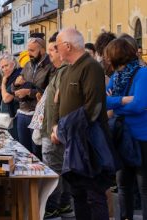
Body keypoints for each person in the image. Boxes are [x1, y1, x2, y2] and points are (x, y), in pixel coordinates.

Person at [51, 28, 116, 220]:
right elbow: (58, 102)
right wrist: (55, 126)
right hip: (72, 142)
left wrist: (62, 129)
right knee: (77, 193)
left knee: (94, 194)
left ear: (68, 46)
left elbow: (93, 108)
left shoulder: (91, 67)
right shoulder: (66, 70)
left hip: (90, 143)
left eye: (57, 46)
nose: (55, 50)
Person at [31, 33, 73, 219]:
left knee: (54, 170)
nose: (49, 55)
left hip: (54, 131)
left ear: (61, 50)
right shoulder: (59, 71)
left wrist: (56, 127)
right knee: (60, 169)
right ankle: (62, 205)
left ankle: (53, 207)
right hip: (53, 129)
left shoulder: (64, 72)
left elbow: (63, 104)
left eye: (51, 51)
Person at [105, 38, 147, 220]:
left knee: (144, 187)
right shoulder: (116, 77)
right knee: (123, 185)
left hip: (141, 138)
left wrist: (115, 105)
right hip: (122, 136)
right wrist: (122, 100)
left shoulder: (143, 74)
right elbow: (104, 100)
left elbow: (139, 104)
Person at [13, 37, 54, 159]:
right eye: (28, 50)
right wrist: (15, 84)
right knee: (24, 152)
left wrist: (29, 92)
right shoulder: (28, 65)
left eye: (32, 50)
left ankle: (38, 177)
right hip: (22, 112)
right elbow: (14, 90)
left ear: (42, 50)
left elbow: (50, 91)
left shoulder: (51, 66)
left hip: (37, 115)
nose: (29, 53)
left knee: (37, 153)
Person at [0, 52, 21, 140]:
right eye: (2, 67)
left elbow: (6, 98)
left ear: (13, 63)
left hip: (15, 116)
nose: (4, 69)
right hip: (8, 116)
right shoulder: (8, 77)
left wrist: (3, 84)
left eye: (6, 65)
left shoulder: (18, 75)